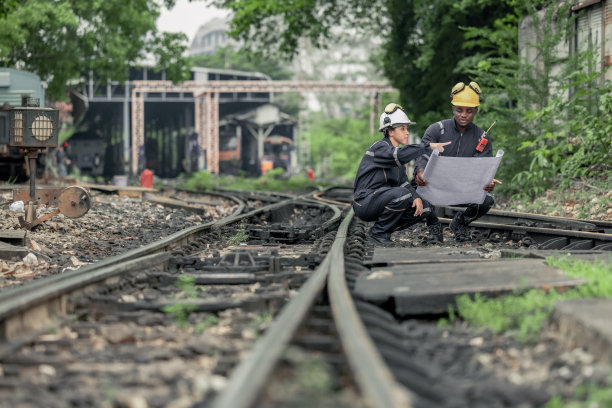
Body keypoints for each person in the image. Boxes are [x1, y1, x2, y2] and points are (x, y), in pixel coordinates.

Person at [413, 81, 502, 242]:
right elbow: (423, 156)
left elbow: (483, 169)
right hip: (436, 188)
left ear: (476, 110)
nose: (463, 114)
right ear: (452, 108)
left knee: (487, 199)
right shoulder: (436, 130)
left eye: (469, 111)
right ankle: (433, 225)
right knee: (416, 190)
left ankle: (460, 223)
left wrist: (487, 182)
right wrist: (420, 172)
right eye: (459, 110)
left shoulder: (483, 138)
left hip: (464, 189)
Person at [352, 103, 451, 246]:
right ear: (390, 131)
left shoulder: (397, 158)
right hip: (364, 201)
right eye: (402, 128)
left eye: (407, 128)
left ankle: (381, 233)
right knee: (402, 194)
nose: (407, 132)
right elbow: (400, 156)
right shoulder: (380, 148)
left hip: (383, 199)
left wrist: (417, 198)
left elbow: (404, 183)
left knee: (424, 207)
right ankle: (378, 234)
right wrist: (427, 146)